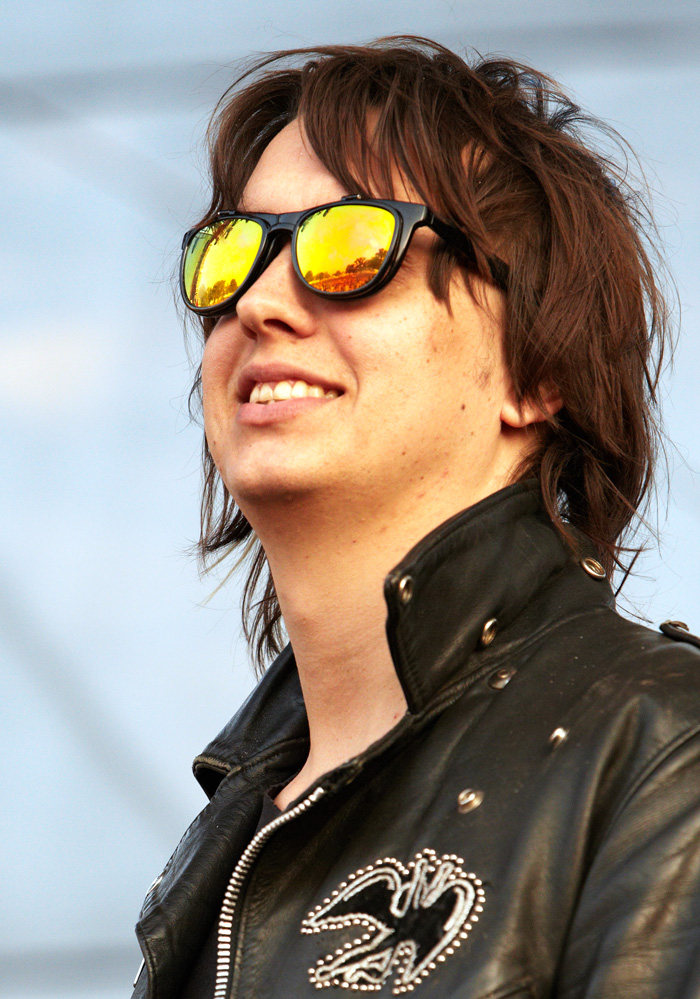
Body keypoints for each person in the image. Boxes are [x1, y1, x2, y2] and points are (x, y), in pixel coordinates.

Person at [131, 37, 700, 999]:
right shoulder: (227, 839)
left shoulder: (663, 752)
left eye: (350, 246)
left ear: (538, 369)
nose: (260, 302)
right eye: (233, 253)